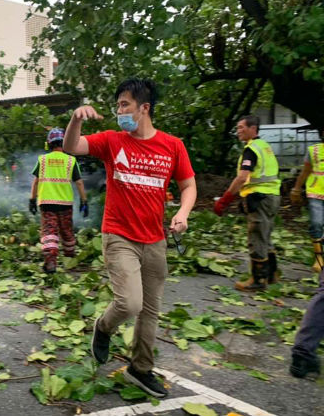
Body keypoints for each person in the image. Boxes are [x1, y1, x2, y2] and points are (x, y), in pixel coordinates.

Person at [63, 78, 196, 398]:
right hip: (119, 236)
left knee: (150, 309)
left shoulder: (172, 145)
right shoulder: (112, 140)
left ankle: (141, 368)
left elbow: (188, 186)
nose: (119, 111)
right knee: (130, 302)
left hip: (155, 239)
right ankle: (103, 327)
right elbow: (71, 147)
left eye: (125, 105)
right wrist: (75, 119)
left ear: (144, 108)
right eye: (118, 105)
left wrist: (183, 214)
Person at [214, 115, 281, 291]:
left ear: (253, 128)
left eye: (242, 127)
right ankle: (272, 274)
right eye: (237, 128)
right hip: (273, 196)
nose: (238, 131)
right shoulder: (265, 147)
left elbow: (242, 177)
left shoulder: (251, 149)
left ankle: (258, 280)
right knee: (265, 235)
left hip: (259, 198)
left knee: (257, 237)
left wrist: (225, 199)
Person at [29, 127, 88, 273]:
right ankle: (70, 257)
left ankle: (50, 260)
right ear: (64, 143)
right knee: (66, 230)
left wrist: (32, 199)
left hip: (47, 202)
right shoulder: (71, 160)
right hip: (65, 203)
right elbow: (79, 182)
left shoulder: (42, 160)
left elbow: (36, 182)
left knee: (50, 230)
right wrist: (84, 201)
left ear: (49, 144)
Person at [291, 128, 324, 273]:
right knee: (317, 224)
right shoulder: (314, 150)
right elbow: (306, 171)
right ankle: (319, 259)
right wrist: (296, 188)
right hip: (315, 192)